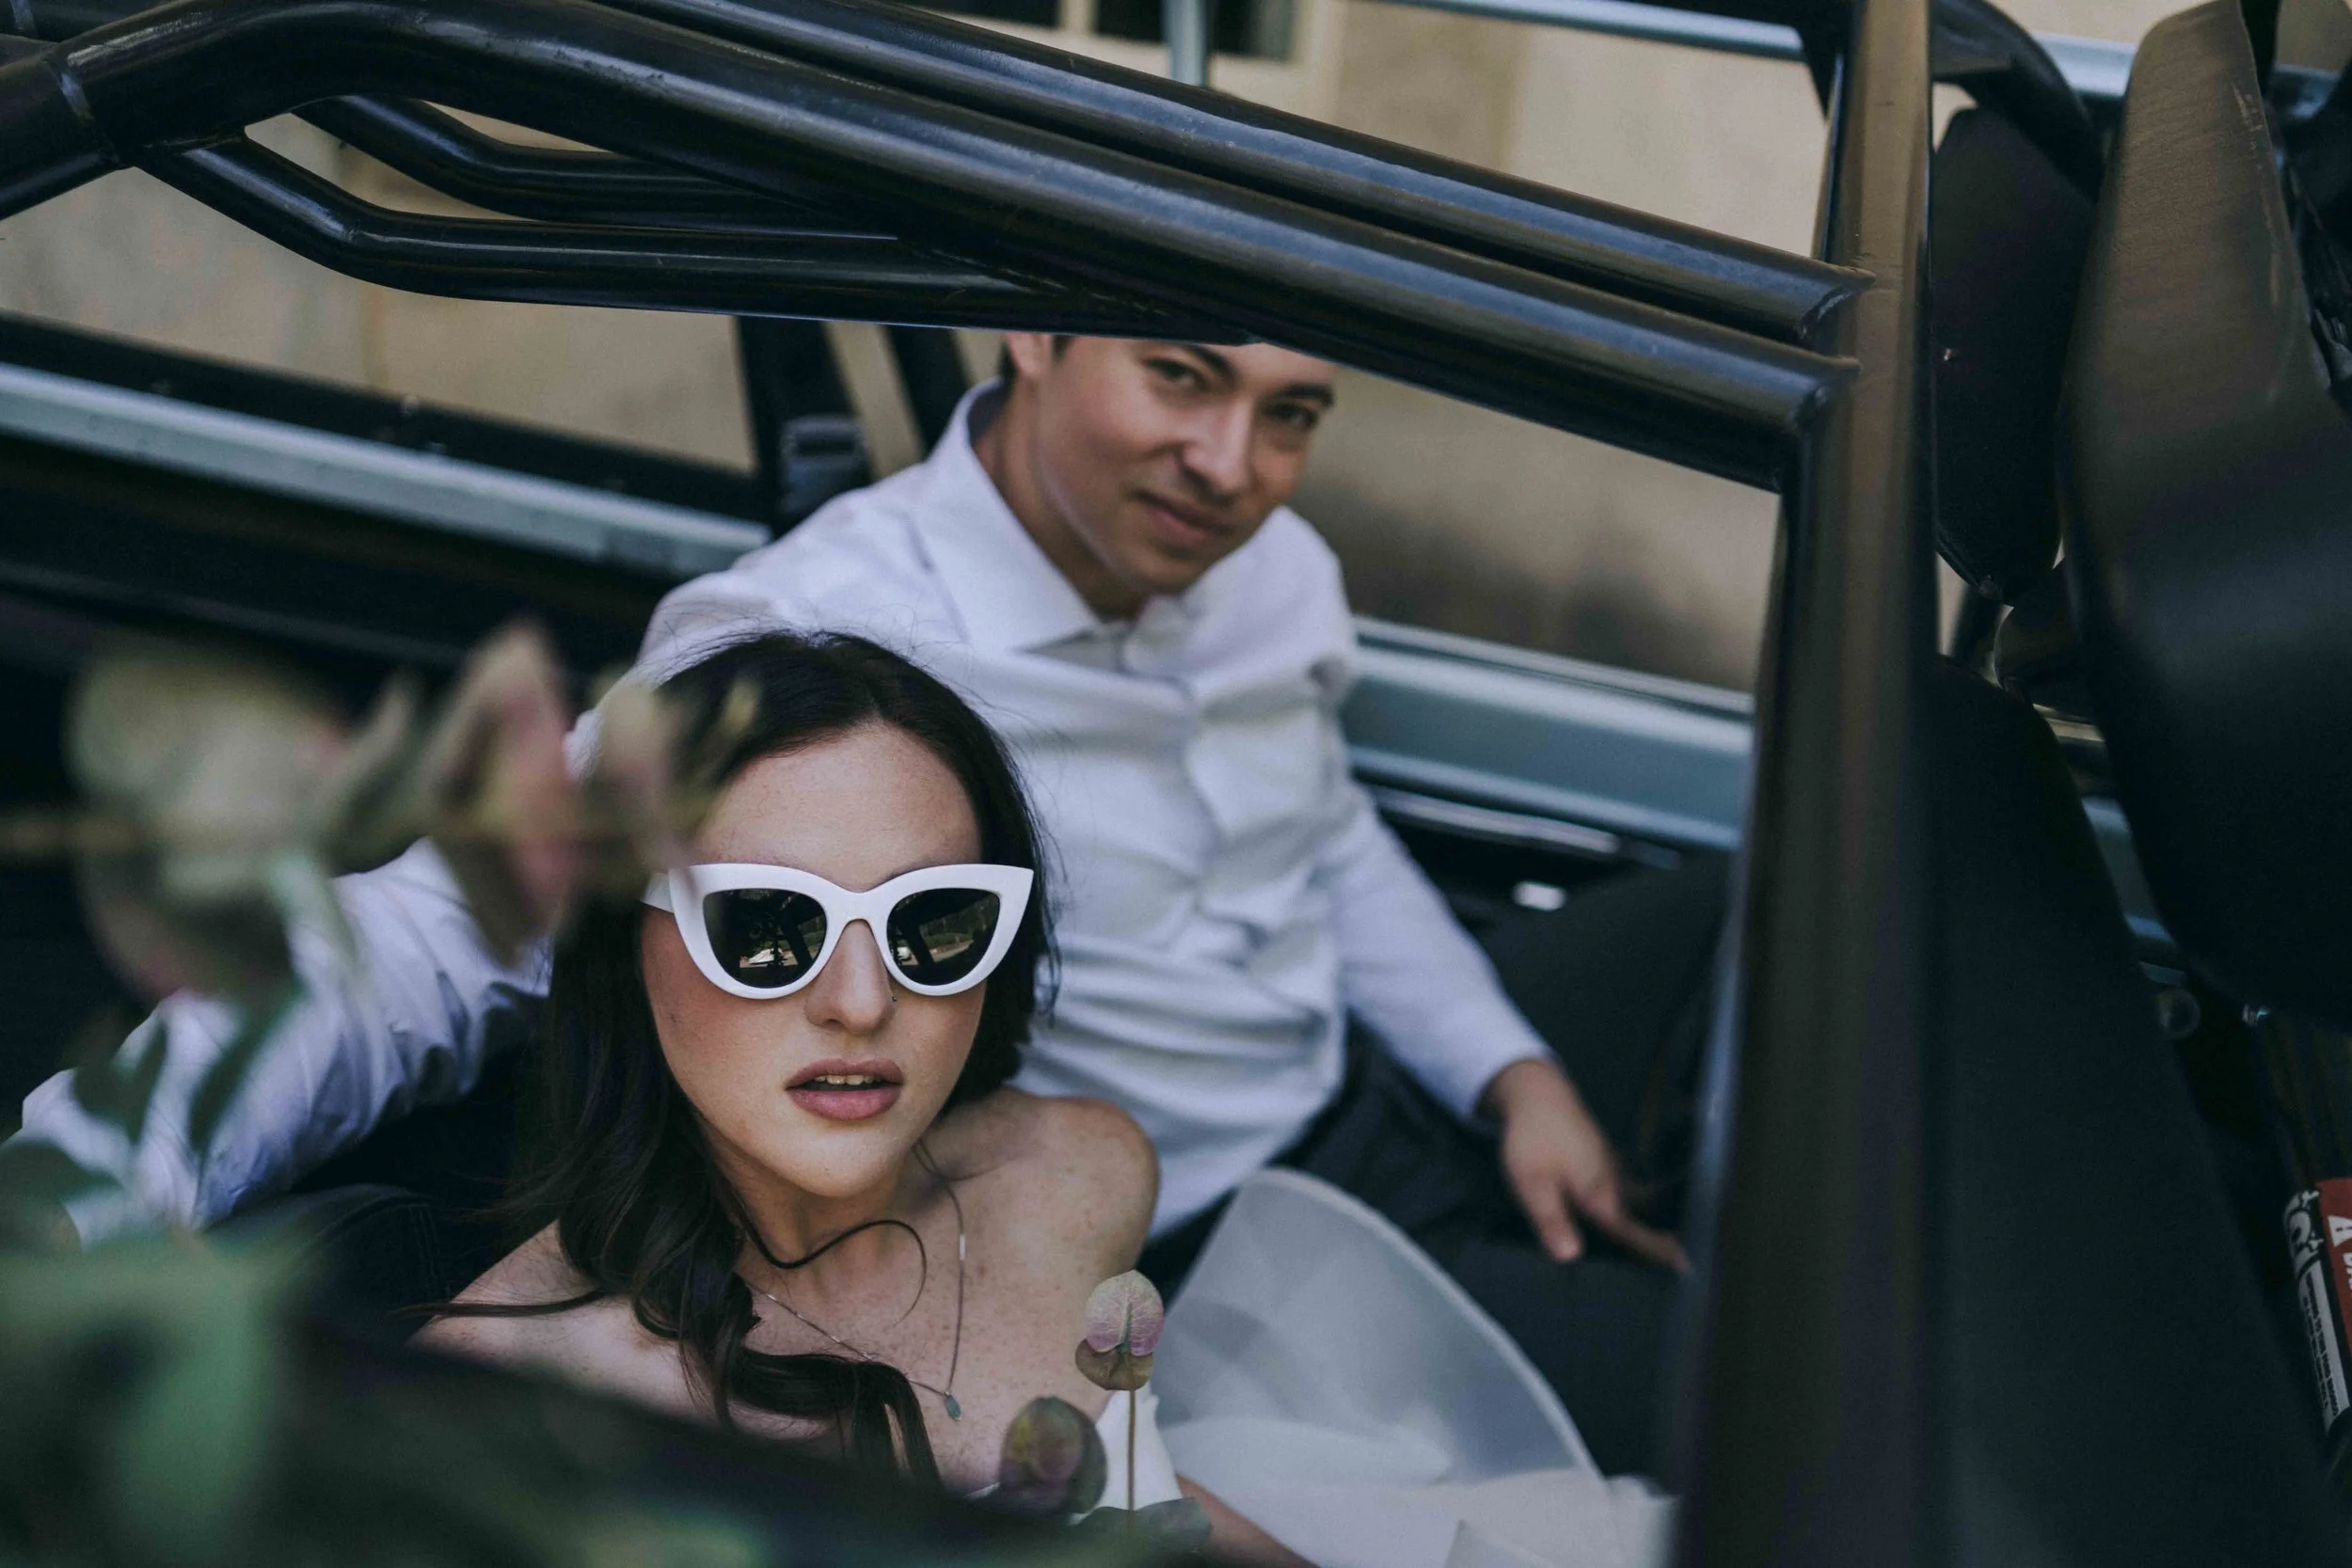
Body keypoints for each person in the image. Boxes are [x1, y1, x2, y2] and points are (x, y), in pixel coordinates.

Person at [16, 333, 1693, 1472]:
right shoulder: (810, 648)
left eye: (1292, 414)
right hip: (1214, 1216)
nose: (1230, 463)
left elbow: (1321, 828)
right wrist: (64, 1200)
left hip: (1366, 1069)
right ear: (1032, 330)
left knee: (1767, 918)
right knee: (1786, 1402)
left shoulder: (1268, 568)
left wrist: (1506, 1067)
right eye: (1180, 378)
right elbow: (418, 944)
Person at [416, 628, 1304, 1564]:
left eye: (933, 921)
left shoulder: (1074, 1177)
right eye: (763, 926)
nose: (861, 1001)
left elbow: (1142, 1496)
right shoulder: (493, 1401)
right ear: (623, 948)